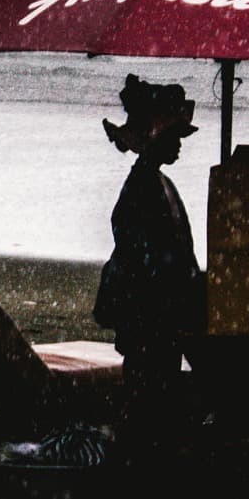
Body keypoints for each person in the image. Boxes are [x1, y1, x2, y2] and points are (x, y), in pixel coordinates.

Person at [92, 74, 206, 437]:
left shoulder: (155, 183)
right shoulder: (143, 188)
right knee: (148, 398)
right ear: (154, 138)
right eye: (174, 136)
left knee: (151, 395)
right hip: (150, 318)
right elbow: (148, 259)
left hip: (156, 317)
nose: (180, 145)